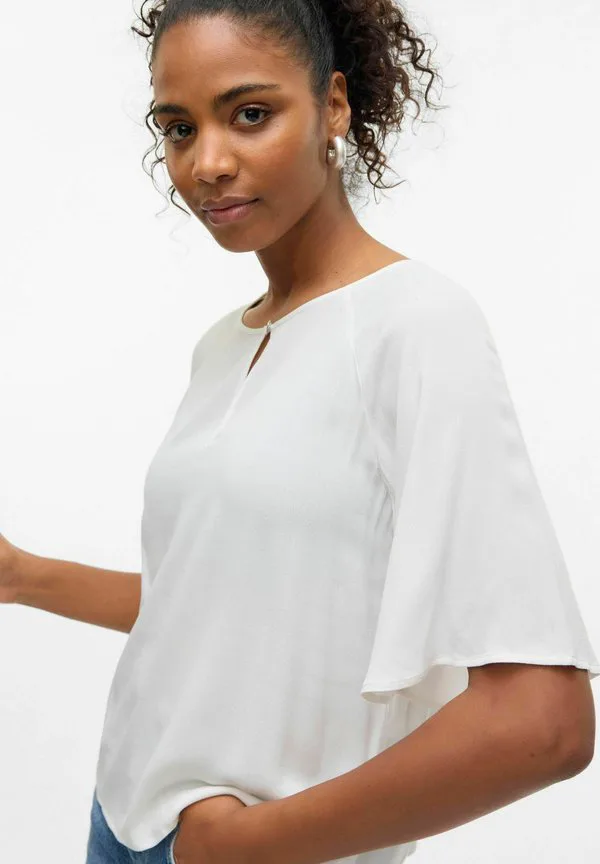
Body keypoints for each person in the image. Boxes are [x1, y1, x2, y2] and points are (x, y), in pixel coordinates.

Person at [2, 0, 599, 862]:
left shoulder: (416, 325)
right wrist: (21, 577)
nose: (207, 163)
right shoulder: (223, 345)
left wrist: (242, 848)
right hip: (124, 819)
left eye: (250, 114)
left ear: (334, 106)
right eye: (178, 127)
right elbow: (214, 601)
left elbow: (543, 722)